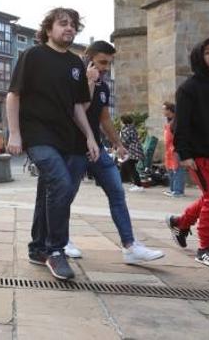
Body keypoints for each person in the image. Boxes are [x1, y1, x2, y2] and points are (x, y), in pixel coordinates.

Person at [6, 7, 100, 280]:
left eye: (73, 25)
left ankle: (37, 248)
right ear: (49, 29)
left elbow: (77, 106)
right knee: (60, 181)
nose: (69, 28)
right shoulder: (32, 55)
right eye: (63, 24)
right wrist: (14, 133)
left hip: (65, 136)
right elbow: (13, 96)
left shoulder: (74, 63)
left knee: (47, 189)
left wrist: (90, 137)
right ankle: (56, 249)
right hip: (36, 133)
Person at [63, 41, 164, 263]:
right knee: (66, 196)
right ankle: (62, 240)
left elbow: (104, 118)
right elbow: (80, 109)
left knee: (117, 192)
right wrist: (89, 81)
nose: (105, 68)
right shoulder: (73, 80)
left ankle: (130, 246)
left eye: (109, 63)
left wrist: (118, 143)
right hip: (73, 149)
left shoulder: (104, 86)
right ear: (87, 59)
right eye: (101, 62)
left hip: (97, 150)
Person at [166, 36, 209, 267]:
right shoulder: (189, 88)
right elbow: (181, 124)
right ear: (200, 56)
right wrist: (184, 154)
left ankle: (180, 222)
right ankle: (206, 248)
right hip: (200, 154)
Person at [162, 102, 185, 197]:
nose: (163, 111)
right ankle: (173, 190)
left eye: (164, 109)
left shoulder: (176, 121)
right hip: (169, 150)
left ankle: (178, 191)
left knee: (177, 169)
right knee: (171, 170)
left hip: (175, 149)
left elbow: (179, 136)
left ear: (169, 110)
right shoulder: (170, 121)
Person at [119, 115, 145, 192]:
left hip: (132, 151)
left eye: (121, 121)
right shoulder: (132, 128)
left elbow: (125, 141)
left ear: (123, 121)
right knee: (127, 166)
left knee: (131, 167)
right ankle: (135, 183)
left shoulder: (126, 129)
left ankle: (138, 185)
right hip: (136, 150)